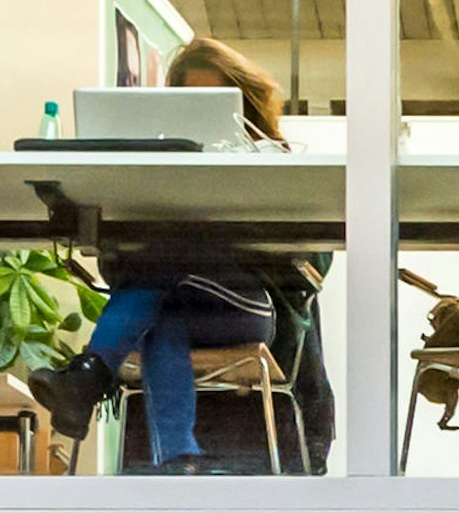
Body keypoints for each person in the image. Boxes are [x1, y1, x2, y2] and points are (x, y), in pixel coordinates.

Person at [30, 36, 326, 475]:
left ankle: (89, 376)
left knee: (163, 259)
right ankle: (179, 460)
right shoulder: (157, 169)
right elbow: (117, 269)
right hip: (181, 309)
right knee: (160, 318)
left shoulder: (273, 161)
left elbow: (314, 262)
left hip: (248, 308)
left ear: (243, 105)